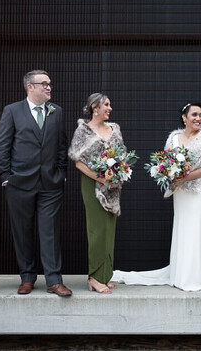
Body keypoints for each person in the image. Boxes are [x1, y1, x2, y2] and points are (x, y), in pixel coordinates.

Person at [112, 102, 201, 291]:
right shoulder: (174, 138)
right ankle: (180, 274)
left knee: (197, 230)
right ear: (184, 117)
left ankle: (195, 278)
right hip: (180, 193)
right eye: (194, 114)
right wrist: (171, 176)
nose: (198, 119)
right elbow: (165, 165)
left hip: (199, 192)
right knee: (182, 229)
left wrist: (184, 177)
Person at [0, 70, 72, 297]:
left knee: (49, 231)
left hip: (50, 183)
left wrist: (61, 174)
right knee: (23, 231)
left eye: (49, 84)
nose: (49, 87)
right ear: (30, 87)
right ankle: (27, 278)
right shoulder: (12, 111)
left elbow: (61, 145)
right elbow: (3, 145)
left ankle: (54, 280)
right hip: (19, 183)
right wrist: (6, 177)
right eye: (44, 84)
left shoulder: (56, 112)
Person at [68, 93, 130, 294]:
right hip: (93, 184)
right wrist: (100, 178)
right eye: (106, 104)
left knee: (109, 228)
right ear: (94, 107)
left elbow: (122, 155)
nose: (110, 108)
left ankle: (105, 274)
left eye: (110, 104)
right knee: (97, 230)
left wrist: (118, 173)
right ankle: (94, 277)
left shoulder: (115, 129)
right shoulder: (83, 130)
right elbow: (78, 162)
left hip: (113, 184)